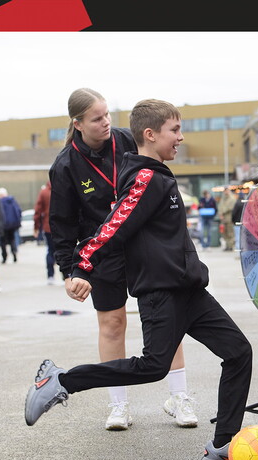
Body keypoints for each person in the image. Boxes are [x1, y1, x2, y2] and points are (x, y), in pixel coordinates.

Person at [25, 98, 253, 460]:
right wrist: (79, 268)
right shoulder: (145, 179)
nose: (180, 137)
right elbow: (111, 228)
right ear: (150, 135)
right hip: (162, 292)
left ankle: (223, 443)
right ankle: (61, 381)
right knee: (152, 366)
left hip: (189, 289)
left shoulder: (156, 172)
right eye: (174, 130)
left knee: (239, 352)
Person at [47, 87, 195, 431]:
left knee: (167, 318)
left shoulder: (128, 140)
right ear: (78, 124)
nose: (105, 123)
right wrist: (70, 271)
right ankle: (118, 405)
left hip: (145, 245)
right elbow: (61, 224)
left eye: (107, 115)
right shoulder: (65, 165)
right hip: (103, 252)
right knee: (112, 323)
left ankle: (179, 396)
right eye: (97, 119)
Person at [32, 181, 57, 284]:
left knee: (50, 251)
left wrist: (36, 227)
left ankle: (50, 275)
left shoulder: (44, 192)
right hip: (63, 227)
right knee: (64, 250)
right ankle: (66, 275)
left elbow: (38, 211)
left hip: (48, 227)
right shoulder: (61, 188)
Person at [0, 187, 23, 264]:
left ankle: (4, 257)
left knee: (3, 242)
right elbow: (19, 211)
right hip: (13, 225)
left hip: (3, 225)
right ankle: (14, 253)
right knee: (12, 239)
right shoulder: (12, 201)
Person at [216, 187, 237, 251]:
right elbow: (220, 206)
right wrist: (220, 213)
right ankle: (227, 245)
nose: (226, 192)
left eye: (227, 191)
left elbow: (230, 207)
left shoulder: (232, 198)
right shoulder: (223, 198)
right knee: (224, 233)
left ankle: (231, 246)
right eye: (225, 191)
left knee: (230, 232)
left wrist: (222, 212)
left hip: (229, 218)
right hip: (223, 218)